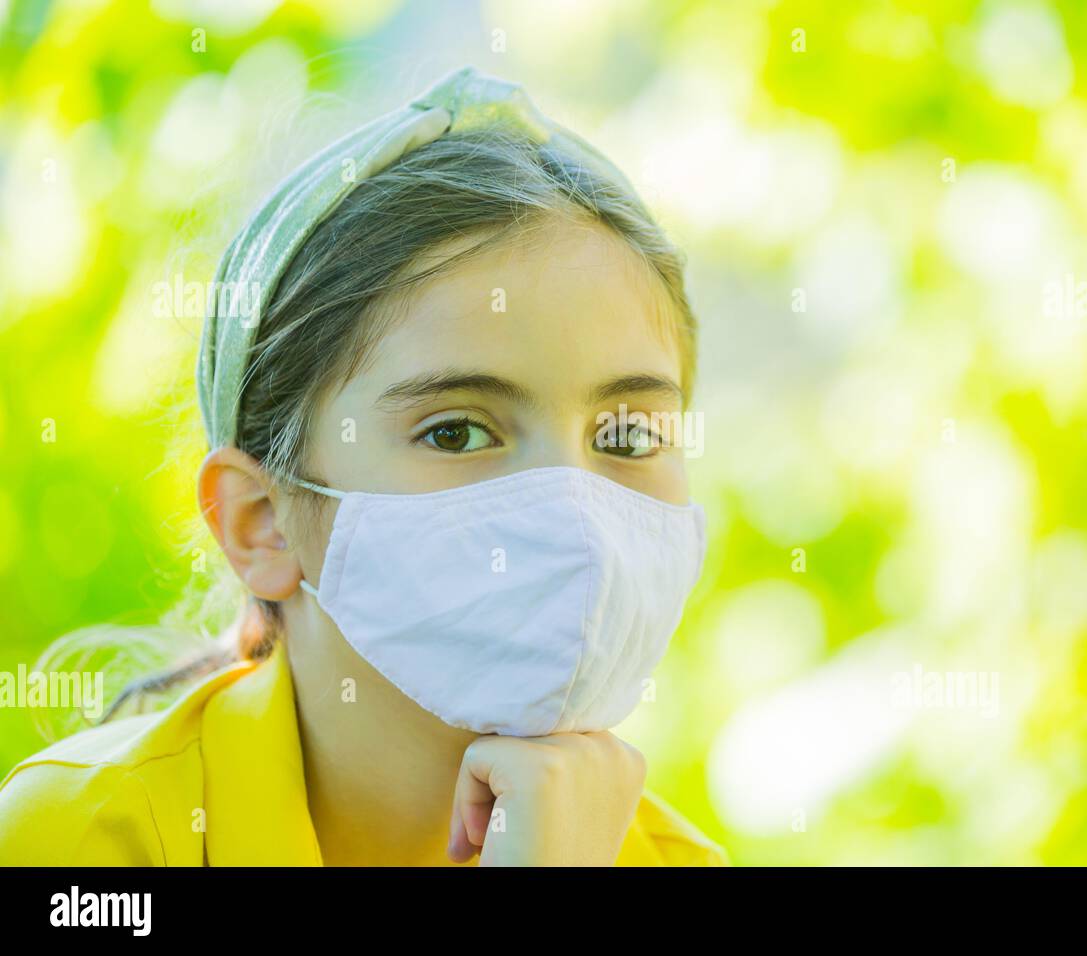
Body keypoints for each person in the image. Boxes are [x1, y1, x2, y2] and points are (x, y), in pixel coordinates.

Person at [0, 66, 728, 867]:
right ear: (262, 523)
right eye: (457, 432)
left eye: (625, 437)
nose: (578, 511)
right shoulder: (84, 840)